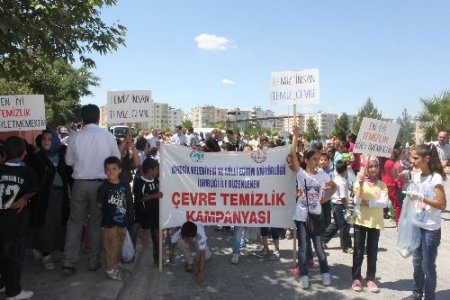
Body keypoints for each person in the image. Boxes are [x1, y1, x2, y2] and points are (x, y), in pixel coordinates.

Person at [63, 104, 121, 274]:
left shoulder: (75, 137)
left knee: (75, 223)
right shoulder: (107, 136)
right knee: (96, 224)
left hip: (80, 184)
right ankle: (93, 262)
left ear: (82, 119)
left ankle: (69, 262)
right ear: (98, 118)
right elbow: (116, 159)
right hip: (100, 185)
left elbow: (68, 162)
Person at [290, 126, 337, 289]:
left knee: (319, 247)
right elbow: (293, 155)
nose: (318, 162)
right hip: (301, 216)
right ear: (307, 160)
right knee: (303, 248)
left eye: (319, 159)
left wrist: (325, 198)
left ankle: (325, 272)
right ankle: (304, 275)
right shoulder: (301, 174)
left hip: (316, 216)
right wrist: (295, 136)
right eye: (314, 159)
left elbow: (334, 186)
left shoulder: (323, 175)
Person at [402, 144, 447, 300]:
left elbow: (442, 204)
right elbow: (418, 202)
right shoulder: (417, 176)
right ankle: (416, 293)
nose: (412, 161)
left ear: (426, 159)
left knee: (427, 266)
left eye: (415, 158)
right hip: (417, 225)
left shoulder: (435, 178)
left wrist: (422, 198)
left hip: (430, 230)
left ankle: (429, 297)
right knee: (417, 263)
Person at [25, 130, 72, 271]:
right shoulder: (35, 157)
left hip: (61, 197)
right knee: (45, 226)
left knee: (60, 223)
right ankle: (46, 256)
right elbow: (28, 176)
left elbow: (69, 175)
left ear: (56, 141)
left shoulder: (62, 156)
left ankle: (57, 249)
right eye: (44, 138)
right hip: (43, 199)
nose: (46, 141)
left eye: (50, 139)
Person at [0, 136, 39, 300]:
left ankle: (3, 283)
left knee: (2, 254)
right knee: (14, 257)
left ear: (4, 153)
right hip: (16, 222)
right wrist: (25, 198)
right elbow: (35, 188)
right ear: (24, 153)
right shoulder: (27, 171)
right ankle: (13, 291)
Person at [351, 156, 389, 293]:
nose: (373, 169)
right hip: (360, 220)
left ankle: (371, 279)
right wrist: (360, 185)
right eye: (370, 166)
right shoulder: (359, 181)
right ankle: (356, 278)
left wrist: (368, 203)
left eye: (375, 166)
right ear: (366, 167)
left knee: (372, 251)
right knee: (358, 251)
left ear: (379, 168)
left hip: (375, 222)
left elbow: (384, 203)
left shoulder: (382, 185)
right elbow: (357, 200)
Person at [96, 157, 128, 280]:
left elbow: (126, 202)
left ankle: (115, 265)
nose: (111, 172)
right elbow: (98, 204)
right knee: (111, 247)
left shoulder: (123, 185)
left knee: (119, 245)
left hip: (122, 222)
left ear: (120, 170)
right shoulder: (103, 188)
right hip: (109, 224)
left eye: (114, 169)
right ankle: (110, 269)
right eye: (108, 170)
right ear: (105, 171)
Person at [133, 158, 163, 265]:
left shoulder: (156, 181)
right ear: (150, 170)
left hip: (155, 214)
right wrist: (155, 195)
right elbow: (139, 198)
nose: (158, 171)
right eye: (156, 169)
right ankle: (130, 256)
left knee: (156, 237)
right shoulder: (140, 182)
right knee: (141, 236)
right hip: (144, 215)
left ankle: (157, 259)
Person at [323, 160, 353, 253]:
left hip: (335, 205)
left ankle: (323, 239)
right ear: (345, 170)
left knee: (336, 224)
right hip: (340, 206)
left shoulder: (336, 178)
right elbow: (343, 197)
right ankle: (346, 246)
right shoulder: (343, 182)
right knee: (344, 226)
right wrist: (347, 207)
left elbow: (332, 187)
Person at [381, 145, 402, 224]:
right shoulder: (392, 163)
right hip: (391, 184)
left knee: (384, 201)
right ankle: (398, 221)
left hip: (385, 183)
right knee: (396, 204)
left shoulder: (384, 162)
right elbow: (395, 175)